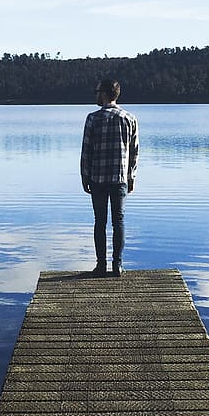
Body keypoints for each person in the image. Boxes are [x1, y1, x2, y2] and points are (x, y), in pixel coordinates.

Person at [80, 79, 139, 277]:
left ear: (105, 93)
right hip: (120, 178)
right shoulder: (130, 118)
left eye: (97, 91)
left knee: (100, 222)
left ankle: (100, 265)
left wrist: (84, 176)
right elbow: (134, 152)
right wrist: (131, 177)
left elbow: (86, 151)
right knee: (119, 222)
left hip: (97, 178)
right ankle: (117, 265)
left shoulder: (92, 118)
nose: (95, 95)